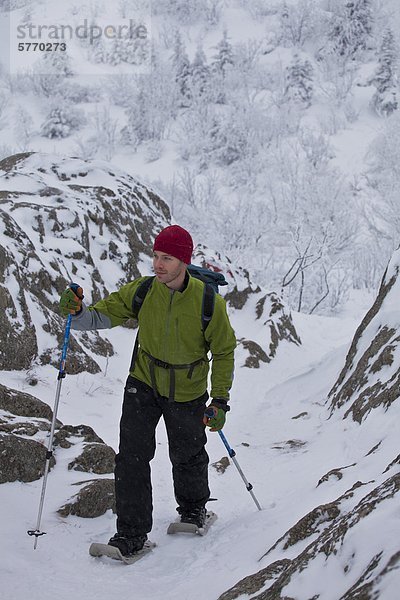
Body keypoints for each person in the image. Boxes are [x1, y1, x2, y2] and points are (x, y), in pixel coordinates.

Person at [59, 224, 236, 556]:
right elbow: (98, 318)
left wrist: (220, 400)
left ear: (183, 261)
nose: (158, 264)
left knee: (187, 454)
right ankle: (130, 535)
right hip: (143, 382)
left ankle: (194, 509)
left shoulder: (208, 302)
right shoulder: (143, 291)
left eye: (167, 258)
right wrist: (77, 311)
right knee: (131, 458)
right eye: (155, 256)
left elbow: (224, 351)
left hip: (188, 389)